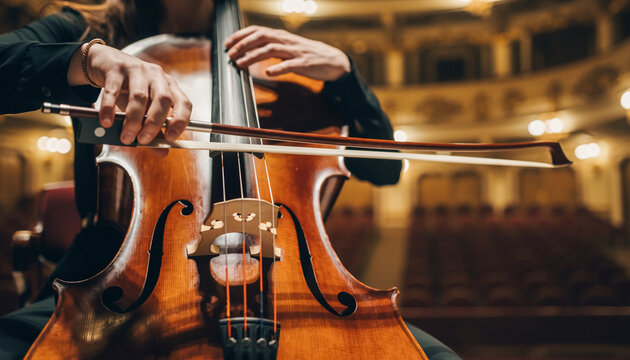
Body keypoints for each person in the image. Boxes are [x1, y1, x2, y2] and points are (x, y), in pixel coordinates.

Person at [0, 1, 461, 359]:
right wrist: (87, 60)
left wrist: (346, 76)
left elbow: (383, 166)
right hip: (114, 279)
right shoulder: (82, 28)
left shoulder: (272, 60)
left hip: (285, 288)